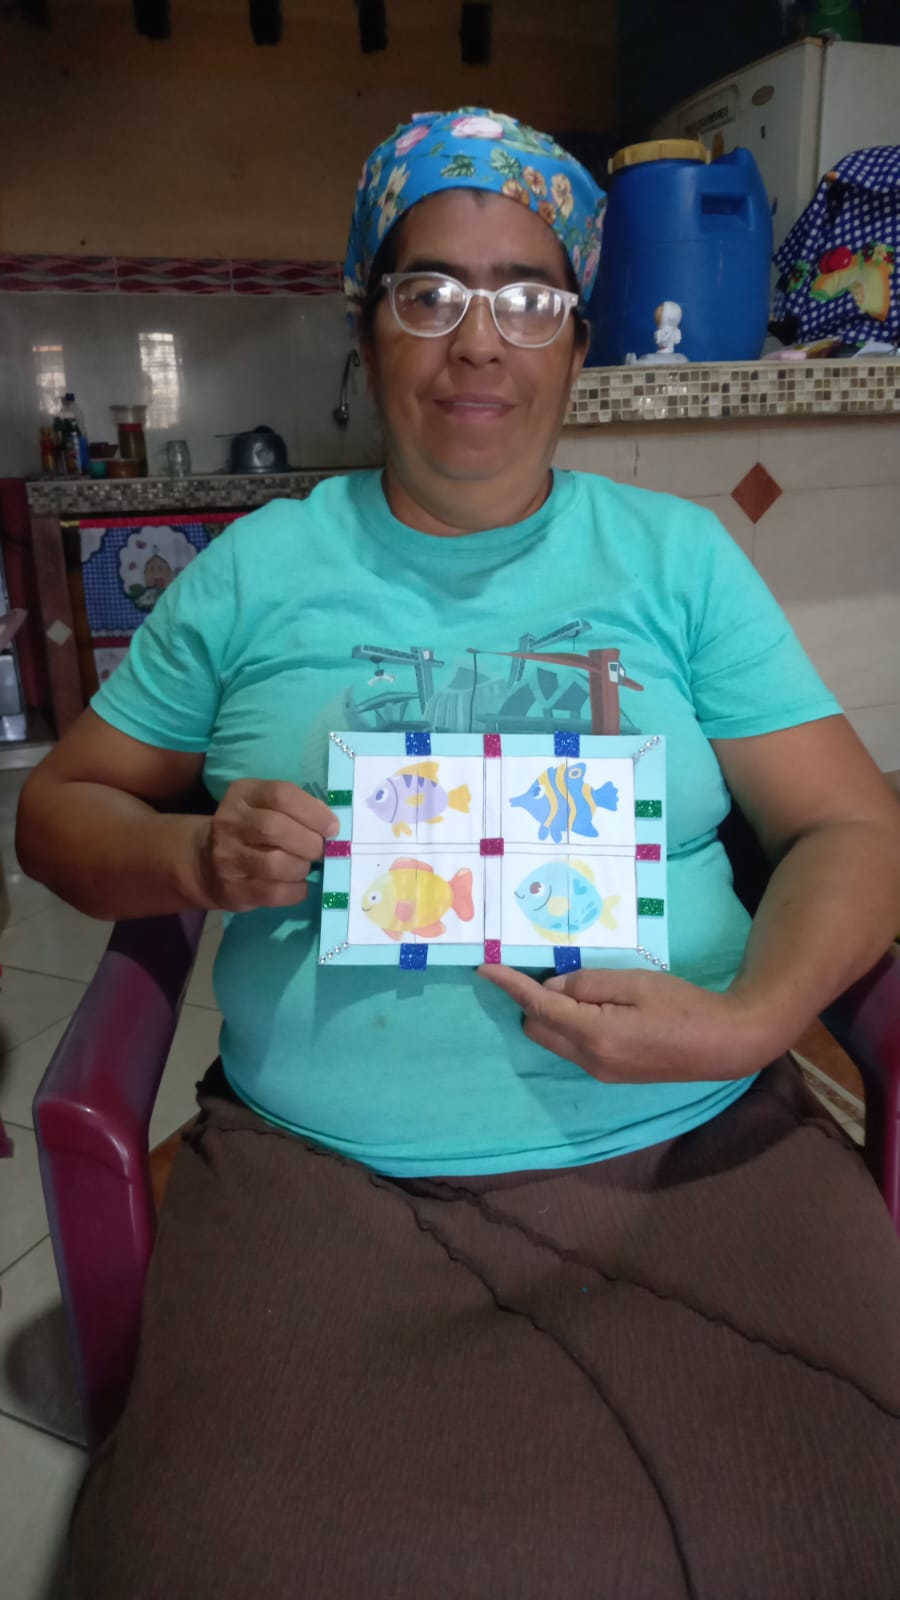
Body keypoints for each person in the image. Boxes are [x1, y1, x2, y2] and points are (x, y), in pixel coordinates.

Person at [17, 108, 900, 1600]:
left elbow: (854, 826)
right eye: (427, 291)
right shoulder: (259, 570)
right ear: (364, 332)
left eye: (527, 296)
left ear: (578, 340)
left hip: (697, 1147)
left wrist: (752, 1022)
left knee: (833, 1519)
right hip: (324, 1182)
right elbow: (58, 812)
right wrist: (192, 858)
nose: (478, 340)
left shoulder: (676, 558)